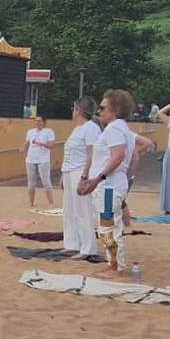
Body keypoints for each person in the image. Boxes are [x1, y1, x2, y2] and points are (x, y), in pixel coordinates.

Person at [77, 90, 149, 276]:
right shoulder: (122, 129)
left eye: (102, 107)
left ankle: (116, 266)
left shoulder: (115, 129)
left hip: (108, 186)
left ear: (115, 109)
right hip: (110, 185)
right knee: (108, 226)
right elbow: (131, 157)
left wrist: (96, 179)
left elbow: (118, 157)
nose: (99, 111)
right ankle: (113, 263)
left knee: (108, 226)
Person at [61, 98, 101, 258]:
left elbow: (92, 155)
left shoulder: (91, 128)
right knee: (69, 210)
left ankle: (88, 247)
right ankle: (72, 243)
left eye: (74, 108)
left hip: (80, 171)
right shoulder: (77, 129)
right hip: (69, 171)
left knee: (83, 210)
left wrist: (85, 176)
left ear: (79, 110)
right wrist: (63, 175)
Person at [20, 115, 57, 209]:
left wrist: (42, 143)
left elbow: (51, 145)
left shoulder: (49, 131)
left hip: (43, 160)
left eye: (39, 121)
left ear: (44, 122)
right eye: (36, 121)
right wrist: (23, 147)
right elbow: (27, 142)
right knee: (31, 182)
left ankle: (51, 203)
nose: (37, 123)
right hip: (30, 159)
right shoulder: (30, 132)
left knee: (46, 181)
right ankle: (31, 203)